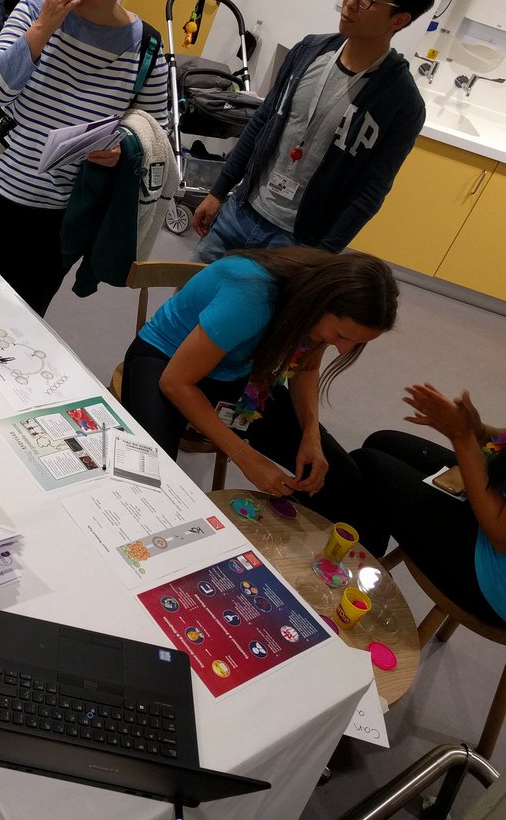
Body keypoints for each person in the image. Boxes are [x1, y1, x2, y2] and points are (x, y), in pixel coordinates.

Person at [0, 0, 168, 316]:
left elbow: (152, 136)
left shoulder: (145, 48)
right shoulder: (35, 7)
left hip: (61, 215)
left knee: (22, 316)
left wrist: (121, 149)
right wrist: (42, 28)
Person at [191, 0, 437, 262]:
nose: (350, 2)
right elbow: (261, 122)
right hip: (241, 209)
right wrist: (218, 191)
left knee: (247, 311)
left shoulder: (402, 103)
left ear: (399, 19)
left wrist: (321, 257)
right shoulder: (309, 51)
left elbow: (370, 192)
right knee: (185, 300)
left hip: (295, 244)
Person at [120, 248, 397, 523]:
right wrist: (244, 456)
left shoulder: (314, 309)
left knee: (339, 476)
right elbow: (175, 382)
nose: (343, 348)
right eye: (340, 335)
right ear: (320, 300)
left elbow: (307, 368)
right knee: (150, 480)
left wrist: (310, 433)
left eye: (357, 343)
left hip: (236, 372)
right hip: (165, 360)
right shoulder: (252, 295)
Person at [352, 387, 506, 623]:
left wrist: (462, 437)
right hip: (496, 497)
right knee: (382, 442)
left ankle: (352, 577)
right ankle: (363, 560)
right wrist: (480, 432)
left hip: (490, 577)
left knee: (369, 466)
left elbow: (499, 534)